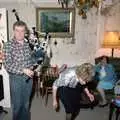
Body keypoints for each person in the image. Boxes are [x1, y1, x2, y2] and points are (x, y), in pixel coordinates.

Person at [3, 21, 34, 120]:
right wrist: (23, 70)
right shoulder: (8, 45)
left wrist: (34, 66)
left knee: (26, 103)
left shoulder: (27, 45)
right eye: (17, 31)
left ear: (25, 32)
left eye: (22, 31)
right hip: (16, 79)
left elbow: (30, 60)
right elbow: (7, 65)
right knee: (17, 105)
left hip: (29, 79)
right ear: (14, 31)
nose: (20, 33)